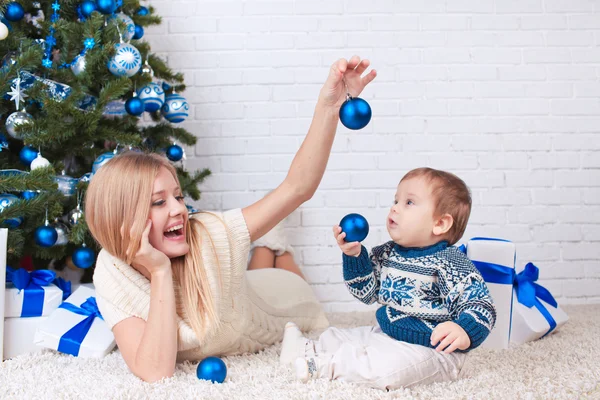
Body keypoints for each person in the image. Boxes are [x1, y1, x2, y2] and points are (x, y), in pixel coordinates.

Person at [85, 56, 377, 383]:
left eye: (179, 197)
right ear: (121, 218)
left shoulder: (207, 234)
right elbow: (154, 371)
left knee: (275, 273)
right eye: (159, 202)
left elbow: (297, 188)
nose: (180, 210)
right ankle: (270, 242)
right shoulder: (111, 269)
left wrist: (329, 106)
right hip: (239, 291)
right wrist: (159, 270)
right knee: (247, 268)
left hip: (283, 299)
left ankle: (275, 245)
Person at [279, 168, 497, 391]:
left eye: (409, 202)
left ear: (440, 224)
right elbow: (367, 293)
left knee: (389, 370)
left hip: (433, 350)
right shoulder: (387, 253)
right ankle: (303, 348)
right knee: (341, 336)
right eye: (396, 200)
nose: (395, 207)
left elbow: (480, 305)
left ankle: (326, 366)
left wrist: (464, 330)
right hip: (389, 333)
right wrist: (354, 256)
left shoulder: (450, 262)